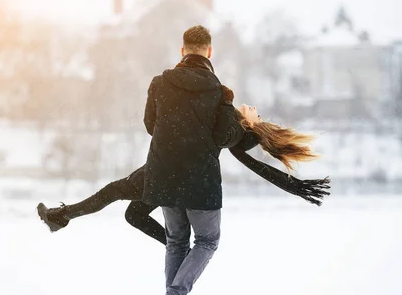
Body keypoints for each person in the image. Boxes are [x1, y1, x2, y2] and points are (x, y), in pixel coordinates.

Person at [37, 102, 330, 244]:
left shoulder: (235, 128)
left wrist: (297, 187)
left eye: (257, 114)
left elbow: (258, 166)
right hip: (171, 167)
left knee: (113, 192)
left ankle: (61, 217)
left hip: (166, 168)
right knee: (132, 214)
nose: (255, 108)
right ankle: (176, 245)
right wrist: (297, 186)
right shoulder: (232, 125)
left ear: (252, 124)